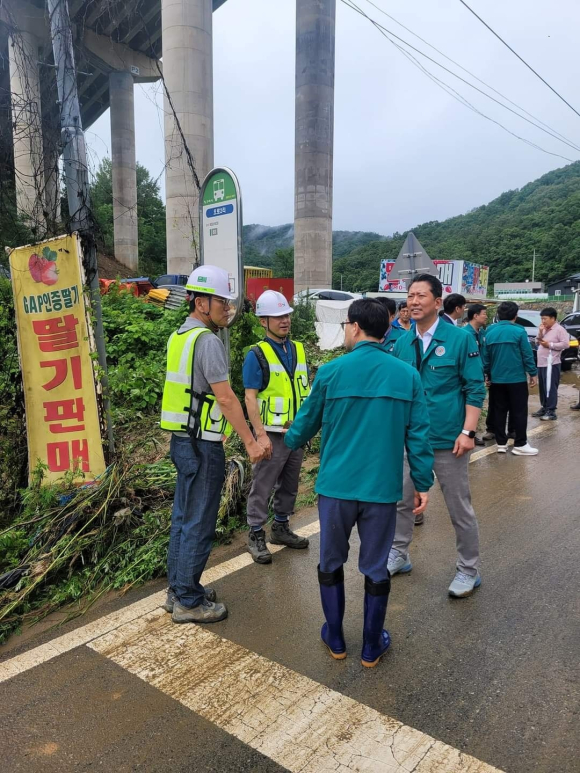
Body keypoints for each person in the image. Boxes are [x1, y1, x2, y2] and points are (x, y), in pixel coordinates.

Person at [285, 299, 433, 667]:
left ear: (353, 327)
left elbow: (304, 426)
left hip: (336, 488)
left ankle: (335, 638)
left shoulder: (332, 372)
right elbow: (419, 436)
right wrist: (422, 481)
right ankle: (371, 645)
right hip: (381, 491)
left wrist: (283, 443)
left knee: (331, 562)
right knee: (375, 565)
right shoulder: (407, 375)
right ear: (385, 330)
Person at [160, 266, 267, 624]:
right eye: (222, 300)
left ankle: (178, 590)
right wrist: (250, 441)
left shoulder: (181, 336)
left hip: (182, 442)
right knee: (199, 522)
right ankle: (189, 600)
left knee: (183, 517)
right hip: (202, 447)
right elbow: (226, 399)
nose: (227, 308)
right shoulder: (206, 341)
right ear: (201, 302)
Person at [389, 274, 486, 598]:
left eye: (420, 295)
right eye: (410, 295)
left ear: (437, 301)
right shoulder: (403, 342)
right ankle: (399, 554)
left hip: (449, 441)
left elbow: (474, 388)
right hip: (410, 439)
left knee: (459, 507)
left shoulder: (459, 340)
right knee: (402, 501)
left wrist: (468, 431)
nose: (413, 301)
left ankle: (468, 570)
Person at [243, 290, 311, 563]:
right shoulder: (256, 355)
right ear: (263, 321)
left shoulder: (299, 349)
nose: (285, 320)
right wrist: (260, 436)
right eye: (278, 316)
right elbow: (249, 397)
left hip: (295, 432)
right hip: (271, 433)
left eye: (287, 315)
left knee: (290, 484)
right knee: (263, 484)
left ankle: (280, 527)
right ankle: (256, 533)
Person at [482, 301, 538, 456]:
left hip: (497, 380)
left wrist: (487, 374)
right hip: (516, 379)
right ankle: (520, 443)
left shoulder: (490, 331)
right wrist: (533, 373)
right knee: (519, 411)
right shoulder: (520, 331)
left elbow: (486, 358)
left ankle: (501, 443)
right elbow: (527, 355)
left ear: (498, 315)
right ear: (516, 315)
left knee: (499, 410)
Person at [532, 307, 569, 421]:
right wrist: (540, 332)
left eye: (545, 319)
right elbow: (538, 341)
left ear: (553, 318)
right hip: (542, 362)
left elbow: (565, 344)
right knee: (543, 386)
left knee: (550, 387)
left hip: (552, 363)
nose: (543, 321)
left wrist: (551, 345)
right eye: (542, 319)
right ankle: (544, 407)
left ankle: (551, 411)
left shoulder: (559, 329)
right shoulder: (544, 328)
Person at [465, 304, 488, 446]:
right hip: (470, 377)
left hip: (479, 374)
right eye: (484, 314)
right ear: (475, 315)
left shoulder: (481, 333)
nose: (486, 316)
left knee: (478, 403)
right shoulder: (465, 334)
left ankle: (473, 432)